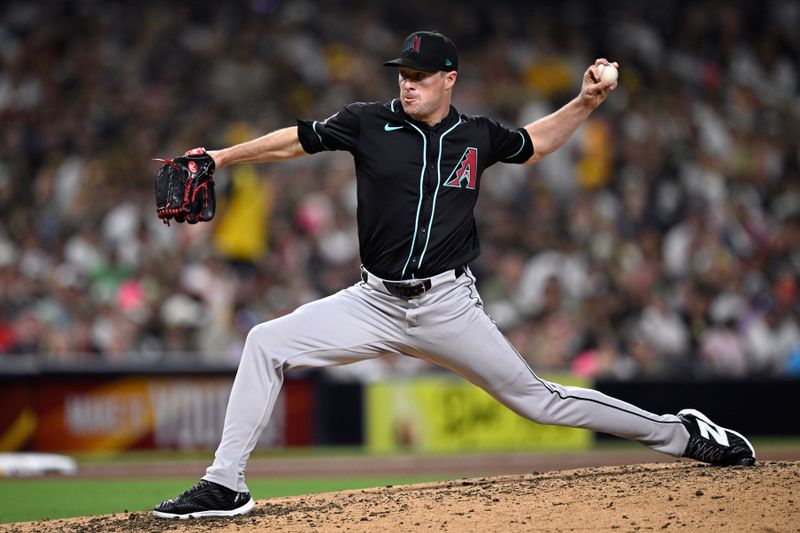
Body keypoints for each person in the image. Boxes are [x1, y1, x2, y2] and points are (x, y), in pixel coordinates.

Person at [153, 31, 755, 519]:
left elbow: (534, 145)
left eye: (418, 76)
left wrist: (586, 103)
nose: (407, 84)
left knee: (540, 403)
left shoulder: (477, 136)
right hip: (374, 302)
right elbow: (298, 141)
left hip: (447, 305)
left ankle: (681, 434)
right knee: (265, 341)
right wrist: (222, 158)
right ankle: (225, 484)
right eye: (401, 75)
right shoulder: (368, 121)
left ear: (448, 79)